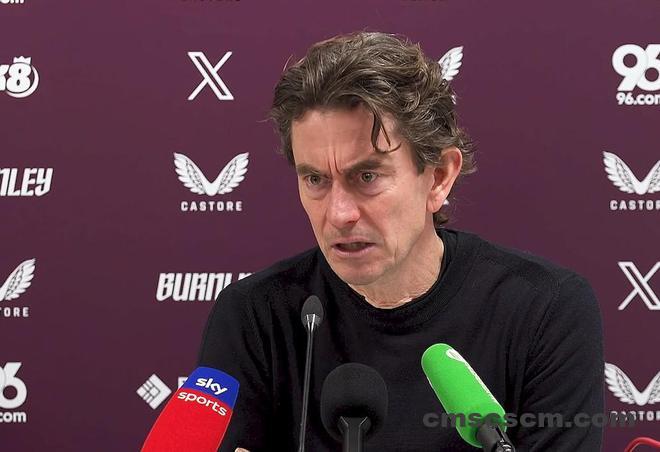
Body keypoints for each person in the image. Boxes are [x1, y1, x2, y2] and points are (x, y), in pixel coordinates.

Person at [198, 31, 604, 451]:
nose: (338, 214)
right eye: (315, 179)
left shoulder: (544, 310)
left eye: (367, 176)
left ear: (439, 177)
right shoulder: (253, 316)